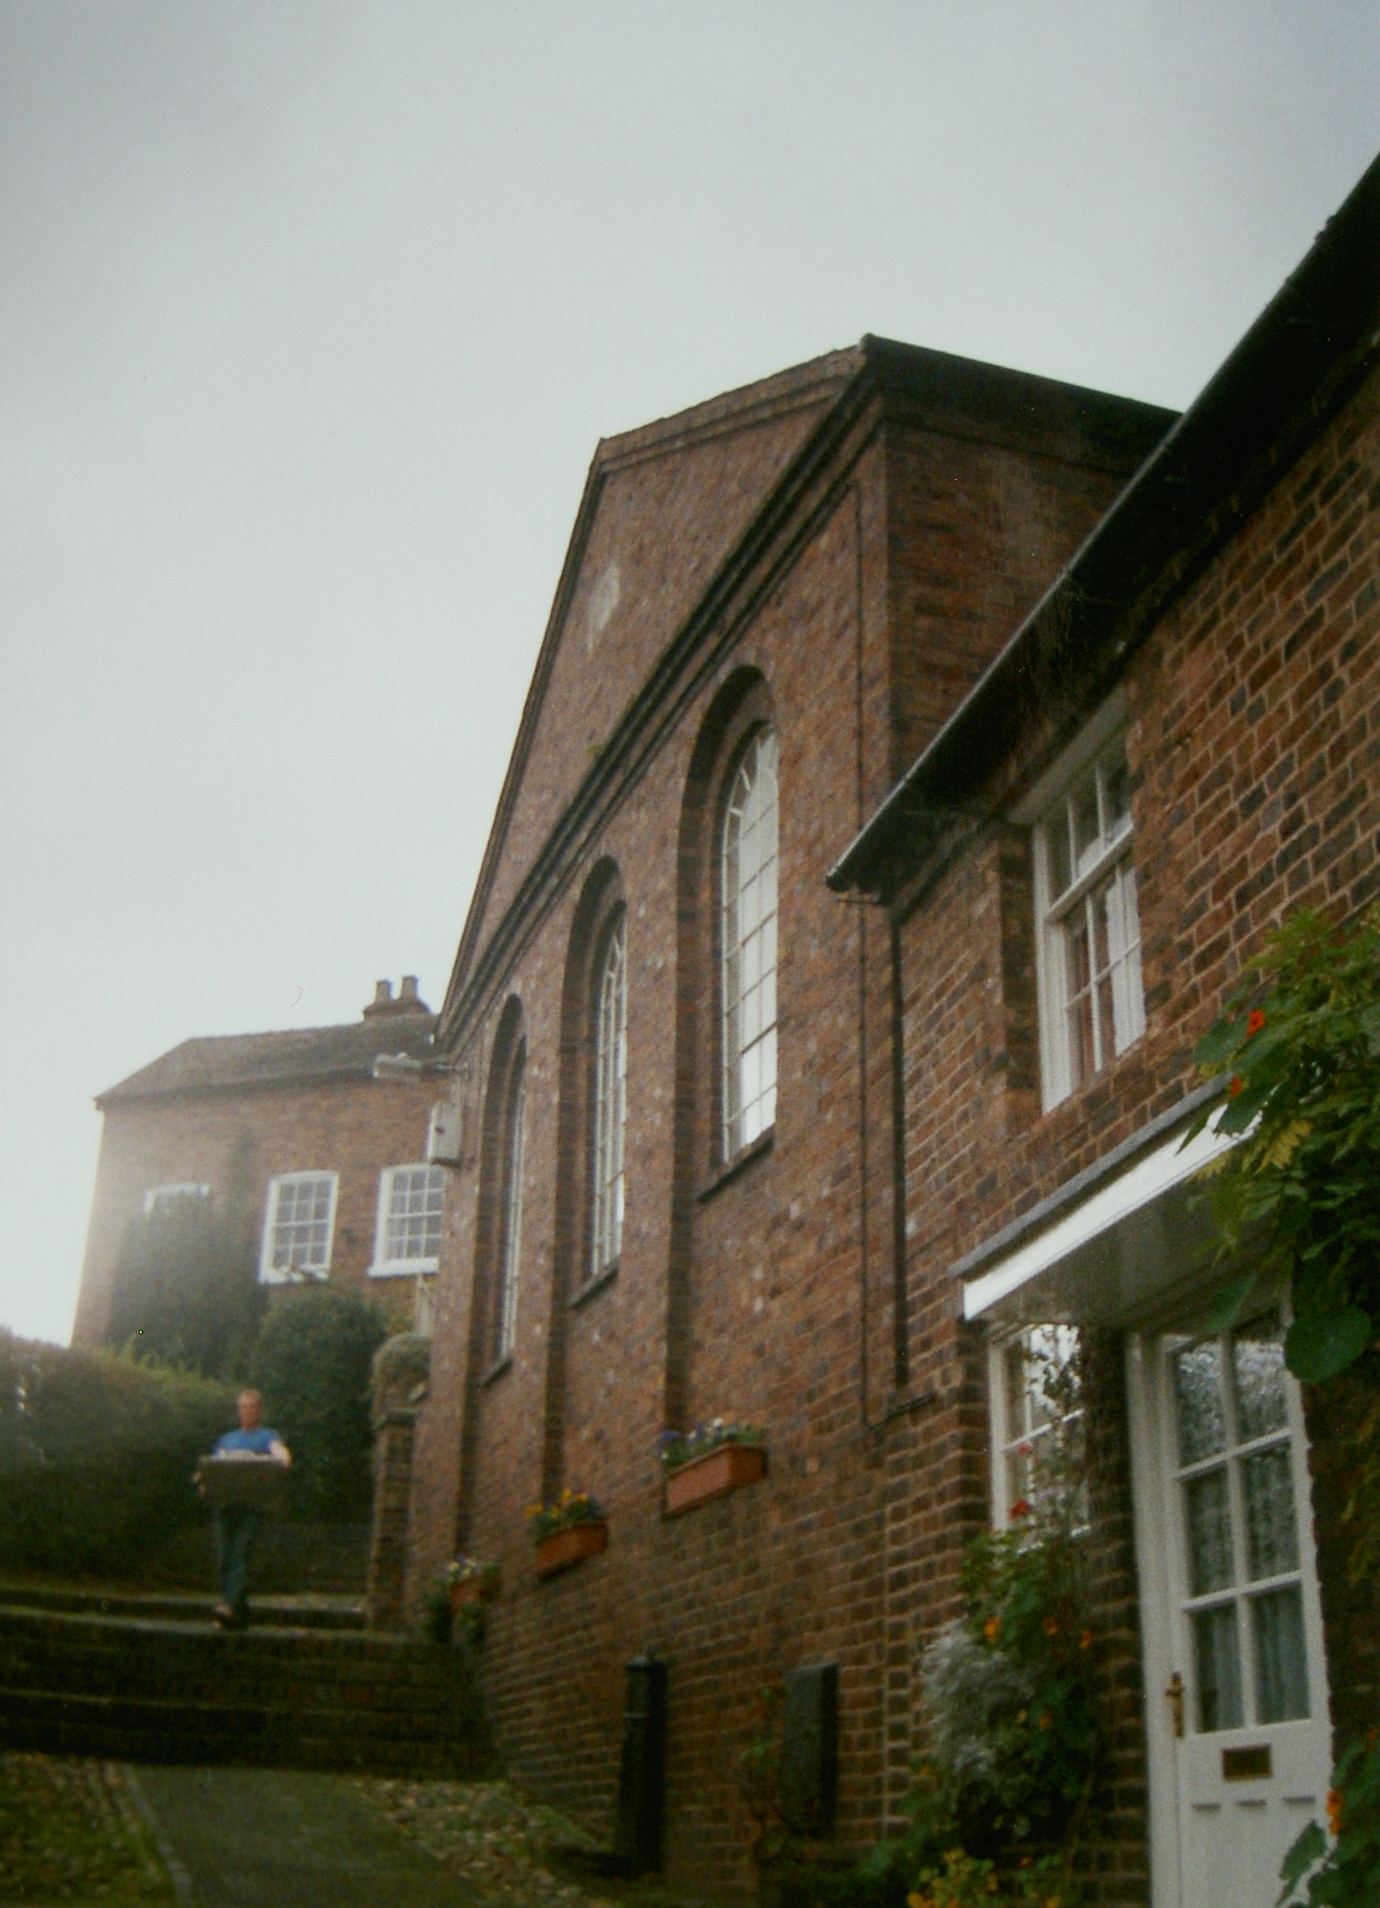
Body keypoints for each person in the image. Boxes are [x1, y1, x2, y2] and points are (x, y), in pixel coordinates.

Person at [207, 1389, 290, 1629]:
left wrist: (282, 1460)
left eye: (252, 1406)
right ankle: (238, 1615)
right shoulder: (226, 1440)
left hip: (250, 1507)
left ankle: (230, 1606)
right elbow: (213, 1468)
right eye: (243, 1406)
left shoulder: (267, 1436)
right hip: (224, 1506)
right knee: (225, 1558)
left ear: (259, 1410)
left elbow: (281, 1454)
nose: (247, 1411)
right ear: (238, 1410)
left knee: (240, 1556)